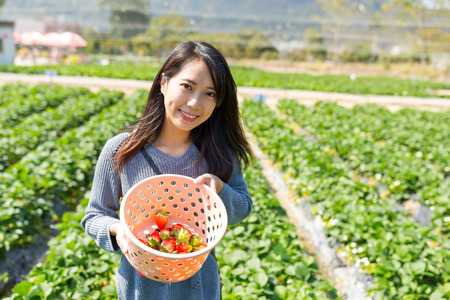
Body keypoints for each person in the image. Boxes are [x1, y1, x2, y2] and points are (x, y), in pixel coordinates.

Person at [81, 41, 253, 300]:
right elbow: (94, 215)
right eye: (187, 87)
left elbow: (243, 207)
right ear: (164, 83)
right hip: (139, 290)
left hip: (200, 291)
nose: (195, 103)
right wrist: (120, 229)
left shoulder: (220, 152)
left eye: (210, 93)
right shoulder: (121, 150)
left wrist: (218, 187)